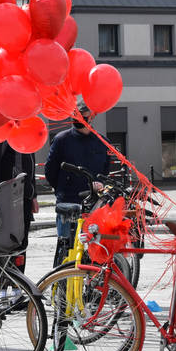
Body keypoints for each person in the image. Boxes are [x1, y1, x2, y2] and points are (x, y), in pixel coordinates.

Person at [43, 103, 109, 265]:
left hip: (93, 205)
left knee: (94, 248)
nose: (77, 119)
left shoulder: (101, 141)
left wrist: (100, 183)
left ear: (92, 117)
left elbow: (105, 170)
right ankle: (60, 286)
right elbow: (50, 171)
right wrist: (62, 189)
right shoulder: (61, 140)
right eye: (75, 115)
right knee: (65, 248)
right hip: (68, 203)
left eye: (83, 116)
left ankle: (88, 286)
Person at [0, 141, 38, 272]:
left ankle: (18, 283)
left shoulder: (27, 136)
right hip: (8, 197)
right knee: (8, 243)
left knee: (21, 243)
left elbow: (30, 168)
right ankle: (4, 285)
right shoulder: (3, 135)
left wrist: (33, 195)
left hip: (24, 196)